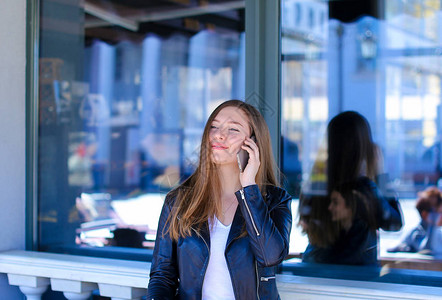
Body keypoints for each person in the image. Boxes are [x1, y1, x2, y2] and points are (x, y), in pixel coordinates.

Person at [147, 100, 293, 300]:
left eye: (233, 129)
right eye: (214, 127)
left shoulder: (274, 200)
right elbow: (162, 275)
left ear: (253, 143)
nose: (219, 134)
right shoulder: (179, 201)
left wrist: (249, 188)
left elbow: (270, 256)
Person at [299, 111, 402, 265]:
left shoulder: (316, 182)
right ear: (364, 145)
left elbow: (305, 223)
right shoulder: (362, 189)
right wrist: (381, 174)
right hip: (353, 280)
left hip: (315, 270)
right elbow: (394, 223)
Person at [388, 186, 442, 253]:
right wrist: (433, 223)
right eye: (439, 212)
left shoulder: (438, 232)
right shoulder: (416, 233)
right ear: (425, 215)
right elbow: (426, 249)